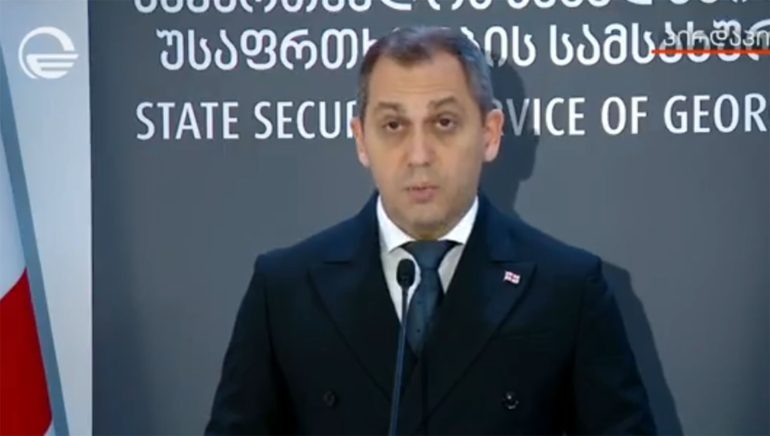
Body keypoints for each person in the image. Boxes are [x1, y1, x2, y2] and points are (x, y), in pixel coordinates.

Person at [205, 25, 656, 435]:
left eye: (444, 123)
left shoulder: (568, 290)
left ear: (490, 134)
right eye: (393, 125)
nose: (419, 155)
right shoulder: (285, 290)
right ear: (361, 140)